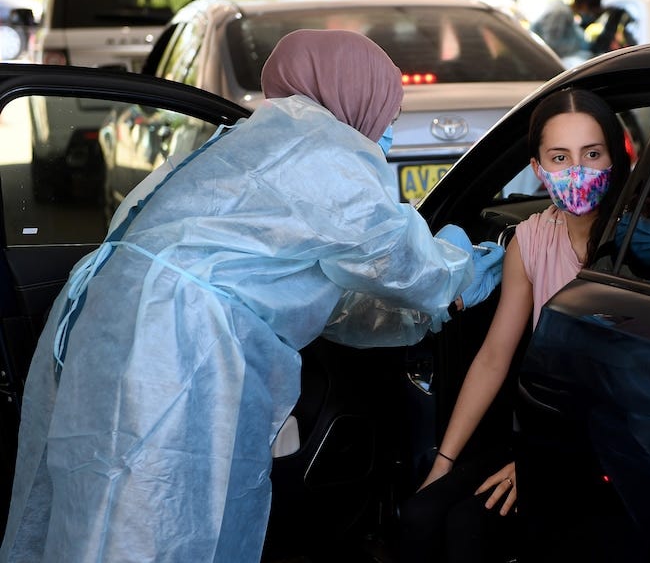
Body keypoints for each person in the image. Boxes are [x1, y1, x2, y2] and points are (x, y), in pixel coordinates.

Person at [0, 29, 504, 562]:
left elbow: (328, 296)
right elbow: (396, 260)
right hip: (175, 343)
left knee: (97, 500)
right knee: (158, 511)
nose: (387, 130)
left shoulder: (249, 139)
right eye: (391, 115)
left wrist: (420, 316)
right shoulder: (324, 147)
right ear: (354, 92)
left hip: (110, 324)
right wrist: (459, 269)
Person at [399, 87, 631, 562]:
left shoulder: (634, 243)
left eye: (592, 153)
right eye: (560, 158)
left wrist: (540, 463)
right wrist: (443, 461)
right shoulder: (531, 238)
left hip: (602, 443)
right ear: (539, 168)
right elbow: (493, 358)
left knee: (469, 528)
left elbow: (620, 382)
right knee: (421, 513)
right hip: (541, 429)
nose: (578, 171)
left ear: (614, 157)